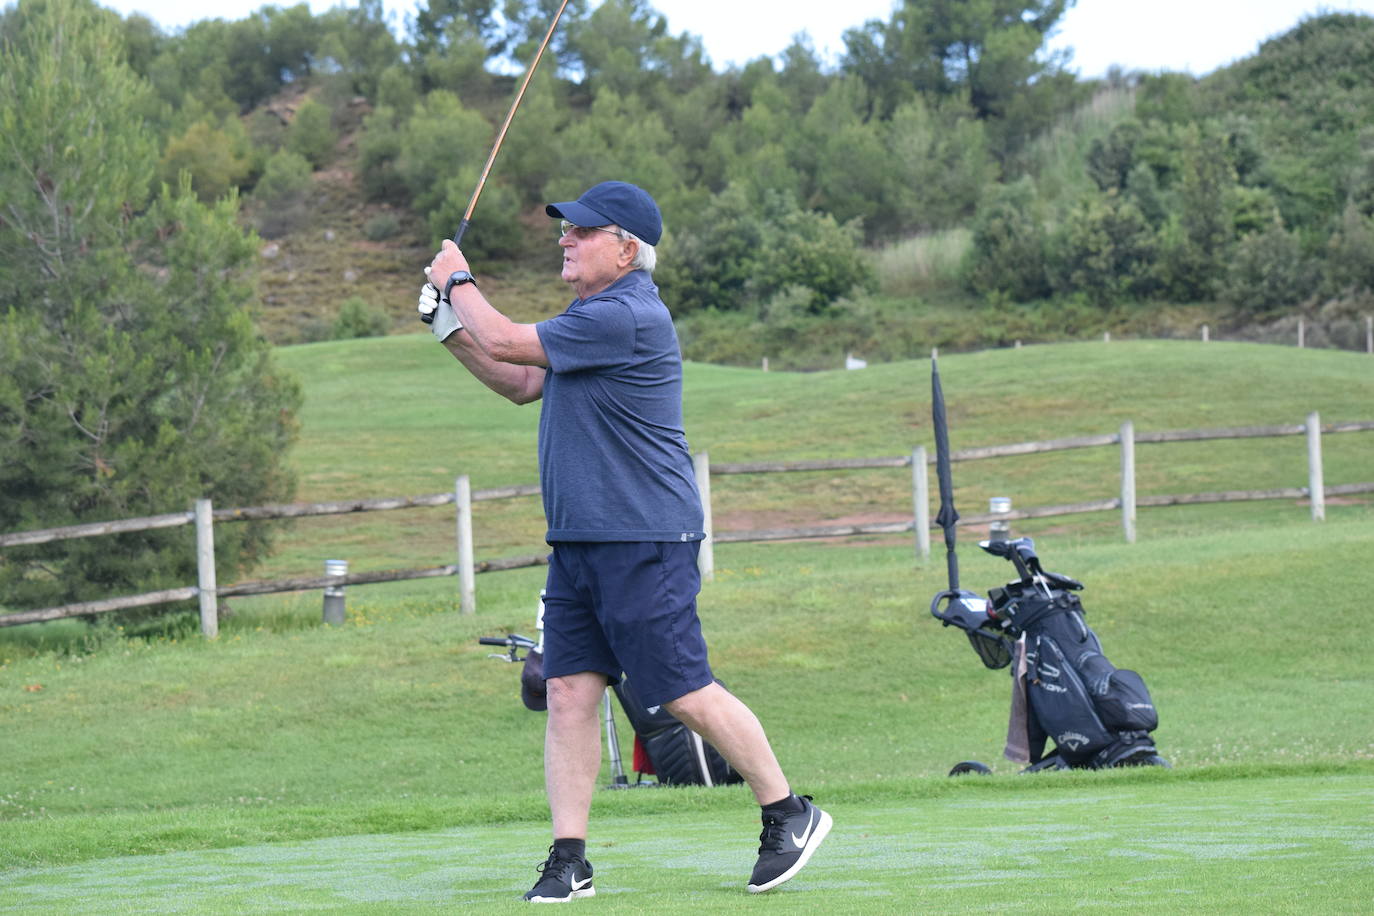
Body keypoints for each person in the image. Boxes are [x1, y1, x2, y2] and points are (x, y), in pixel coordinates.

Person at [419, 180, 832, 902]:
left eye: (582, 232)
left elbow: (509, 338)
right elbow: (518, 379)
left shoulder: (628, 314)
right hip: (581, 541)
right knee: (570, 691)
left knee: (680, 688)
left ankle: (788, 812)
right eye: (565, 231)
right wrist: (447, 328)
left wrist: (456, 279)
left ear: (627, 247)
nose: (565, 241)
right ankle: (569, 856)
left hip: (644, 535)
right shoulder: (588, 318)